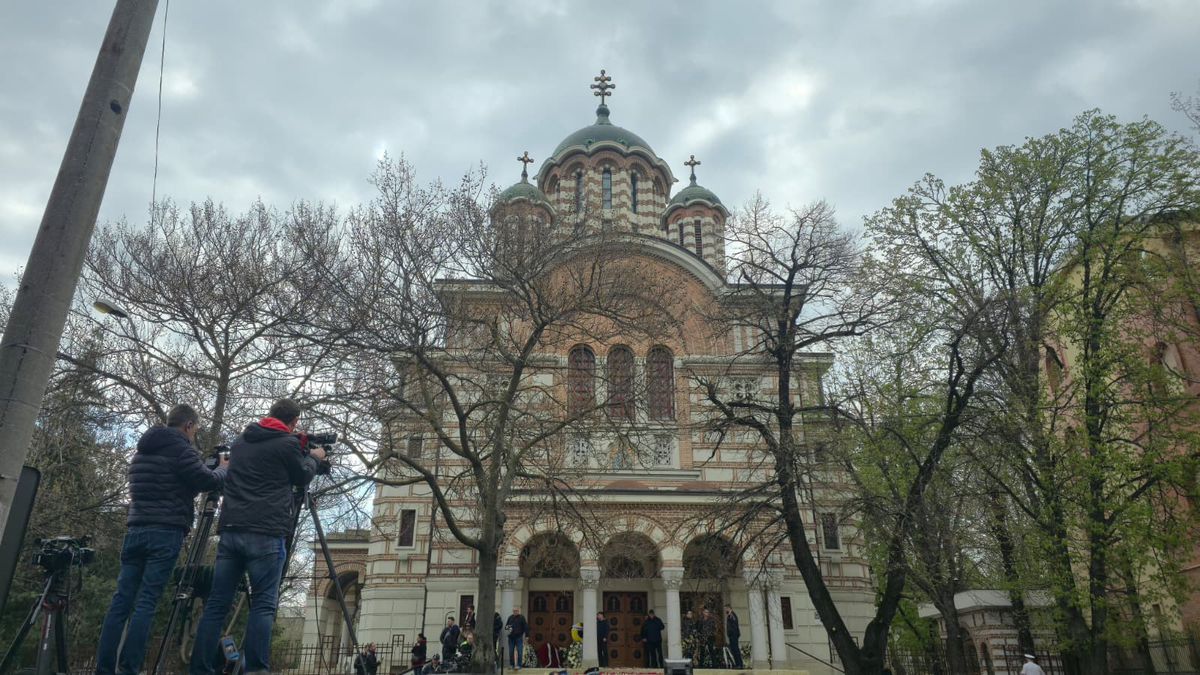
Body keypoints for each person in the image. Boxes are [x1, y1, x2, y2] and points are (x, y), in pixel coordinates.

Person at [188, 398, 324, 674]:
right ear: (294, 421)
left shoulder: (240, 442)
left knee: (217, 603)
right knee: (263, 604)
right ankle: (256, 669)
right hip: (265, 532)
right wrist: (314, 458)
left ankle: (200, 668)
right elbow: (301, 476)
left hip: (232, 530)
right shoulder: (287, 444)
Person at [95, 404, 228, 675]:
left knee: (121, 601)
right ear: (188, 425)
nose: (195, 435)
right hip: (165, 531)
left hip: (135, 529)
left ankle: (104, 668)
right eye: (196, 430)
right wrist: (224, 468)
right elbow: (206, 480)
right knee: (146, 601)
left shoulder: (142, 452)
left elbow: (169, 484)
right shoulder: (181, 448)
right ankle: (129, 668)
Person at [724, 604, 743, 669]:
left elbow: (734, 626)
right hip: (731, 636)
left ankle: (739, 664)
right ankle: (737, 664)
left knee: (736, 650)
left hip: (734, 636)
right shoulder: (729, 616)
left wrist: (732, 634)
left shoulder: (732, 615)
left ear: (729, 608)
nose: (725, 610)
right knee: (733, 650)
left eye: (726, 609)